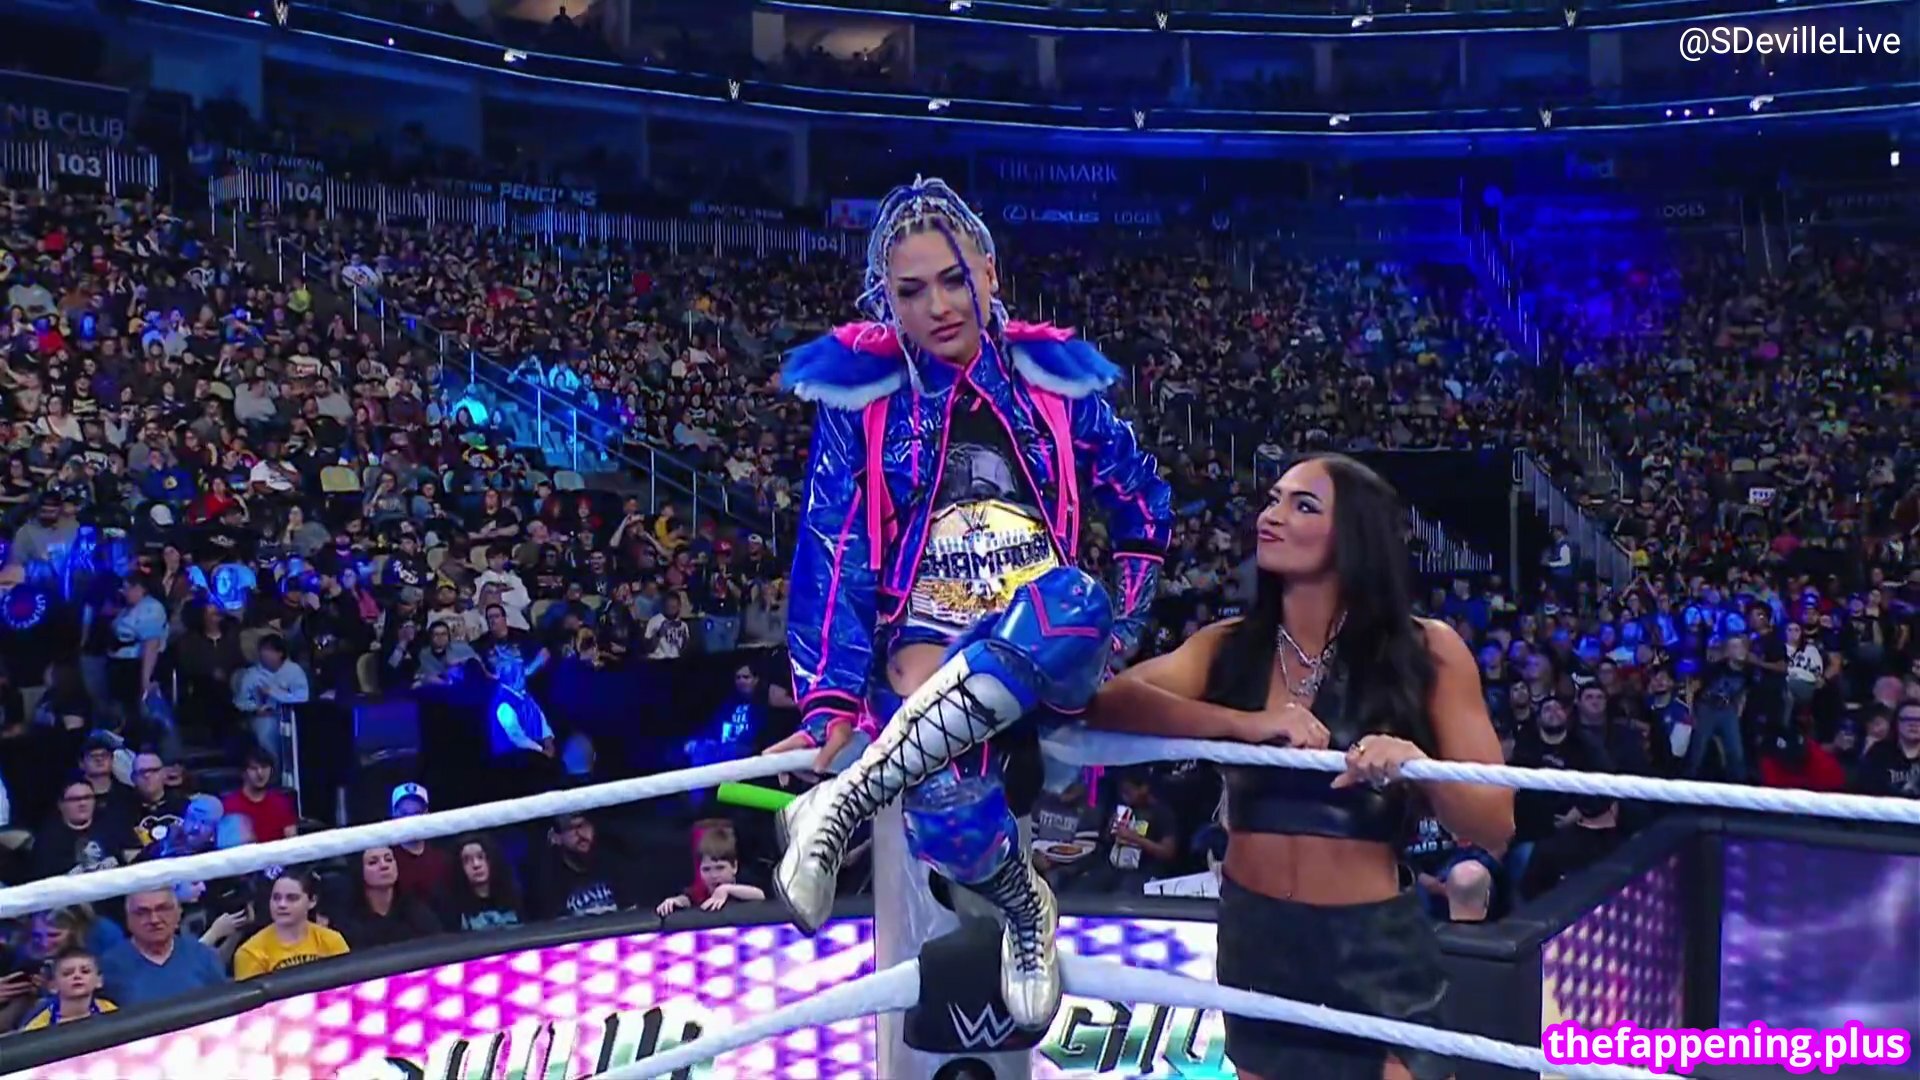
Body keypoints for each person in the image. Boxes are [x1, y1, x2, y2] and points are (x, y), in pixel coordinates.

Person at [763, 177, 1171, 1029]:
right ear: (885, 298)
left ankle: (843, 804)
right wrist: (829, 700)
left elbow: (1142, 504)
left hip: (1049, 639)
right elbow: (834, 545)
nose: (939, 307)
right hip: (928, 652)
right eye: (912, 290)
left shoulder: (1052, 380)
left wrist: (1123, 628)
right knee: (950, 822)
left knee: (1072, 602)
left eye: (954, 279)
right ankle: (1026, 909)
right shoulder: (865, 398)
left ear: (989, 271)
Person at [1086, 454, 1513, 1080]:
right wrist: (1244, 724)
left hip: (1370, 944)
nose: (1272, 516)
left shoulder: (1427, 649)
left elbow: (1495, 824)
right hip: (1257, 937)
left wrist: (1418, 767)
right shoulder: (1229, 645)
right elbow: (1109, 703)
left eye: (1302, 505)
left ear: (1353, 534)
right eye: (1273, 500)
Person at [98, 888, 229, 1006]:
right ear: (128, 918)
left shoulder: (203, 955)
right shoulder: (109, 966)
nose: (154, 919)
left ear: (178, 913)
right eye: (142, 912)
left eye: (163, 909)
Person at [233, 870, 350, 979]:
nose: (282, 905)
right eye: (276, 898)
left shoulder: (332, 940)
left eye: (292, 898)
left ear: (312, 901)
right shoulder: (250, 953)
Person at [333, 846, 443, 950]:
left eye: (389, 859)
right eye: (373, 862)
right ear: (359, 870)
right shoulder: (347, 923)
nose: (384, 866)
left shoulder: (418, 913)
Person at [655, 825, 766, 916]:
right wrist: (675, 901)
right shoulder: (701, 890)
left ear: (734, 867)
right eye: (706, 869)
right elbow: (687, 899)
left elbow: (760, 894)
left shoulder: (745, 881)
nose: (713, 875)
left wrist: (726, 889)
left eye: (720, 868)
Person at [438, 834, 526, 932]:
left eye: (480, 857)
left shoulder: (514, 896)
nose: (476, 865)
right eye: (467, 860)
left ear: (491, 860)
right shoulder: (452, 908)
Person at [19, 947, 117, 1030]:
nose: (77, 976)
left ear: (99, 981)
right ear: (53, 986)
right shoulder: (38, 1027)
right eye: (67, 973)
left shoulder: (110, 1010)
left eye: (85, 971)